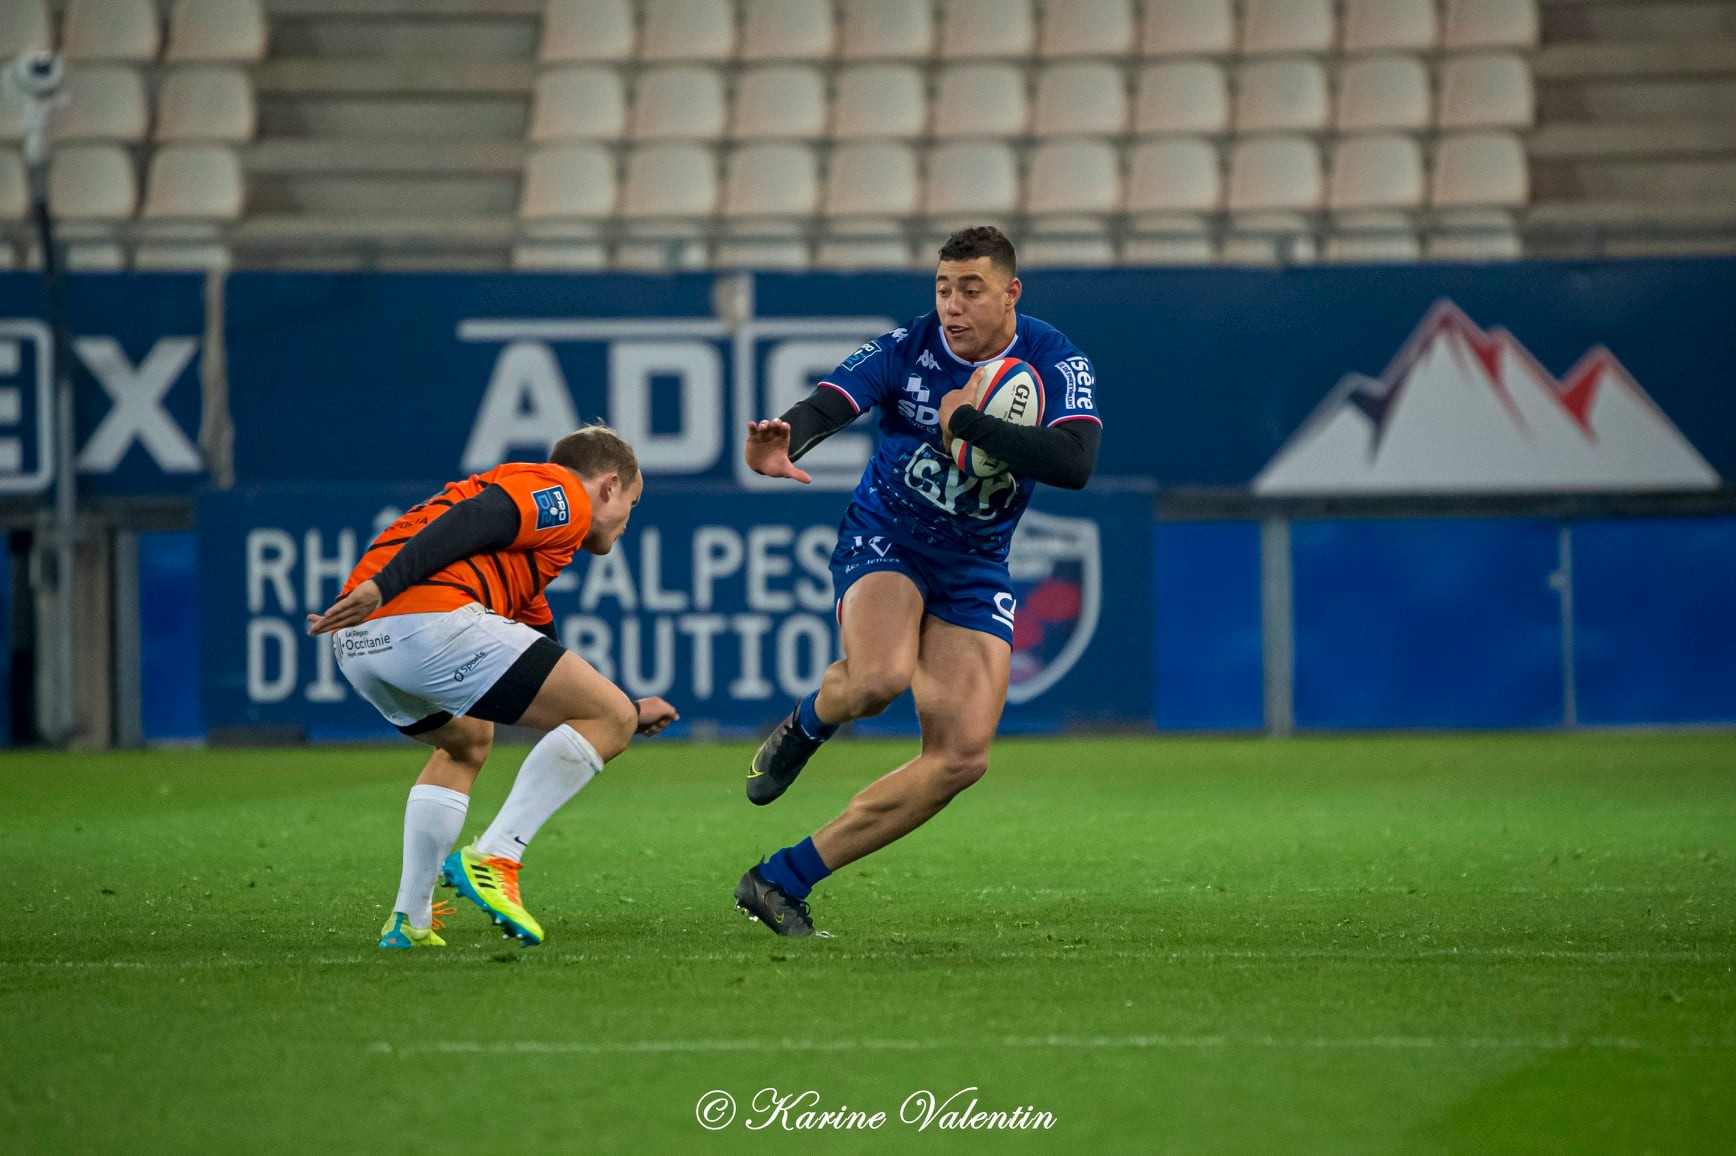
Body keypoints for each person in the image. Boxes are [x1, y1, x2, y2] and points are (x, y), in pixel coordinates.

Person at [734, 226, 1101, 936]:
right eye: (942, 289)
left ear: (1010, 293)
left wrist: (969, 422)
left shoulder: (1056, 360)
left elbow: (1074, 462)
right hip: (888, 537)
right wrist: (787, 436)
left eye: (970, 290)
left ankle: (780, 879)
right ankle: (807, 726)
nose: (952, 306)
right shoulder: (909, 346)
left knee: (962, 757)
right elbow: (832, 400)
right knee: (877, 679)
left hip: (975, 563)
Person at [305, 424, 678, 950]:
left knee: (467, 741)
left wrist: (625, 713)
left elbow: (554, 676)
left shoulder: (525, 568)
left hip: (358, 645)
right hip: (415, 615)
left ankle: (408, 920)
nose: (626, 523)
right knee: (607, 715)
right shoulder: (564, 492)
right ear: (609, 485)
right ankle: (496, 855)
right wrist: (383, 586)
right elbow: (477, 518)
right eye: (633, 505)